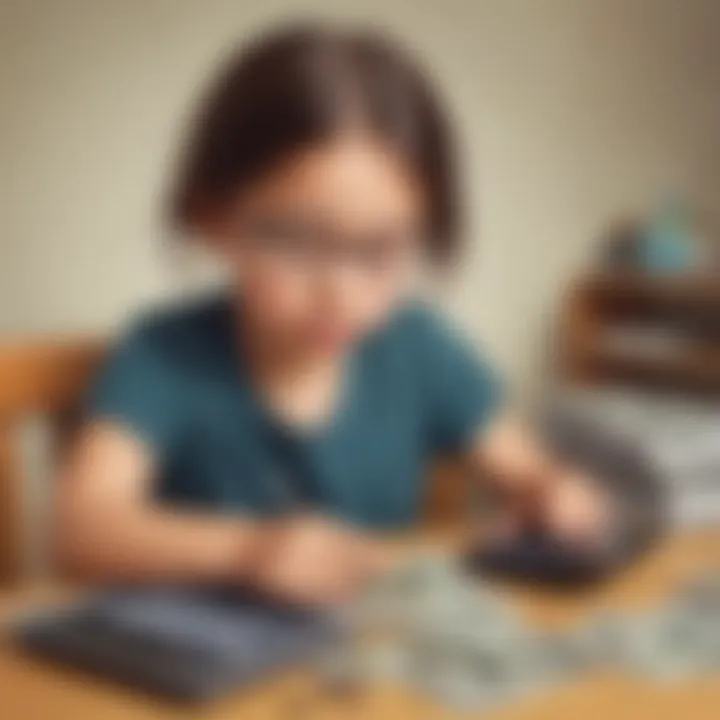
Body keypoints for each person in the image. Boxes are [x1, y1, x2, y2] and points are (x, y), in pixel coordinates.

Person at [56, 24, 606, 606]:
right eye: (295, 242)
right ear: (213, 217)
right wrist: (251, 551)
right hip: (200, 676)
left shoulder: (418, 346)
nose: (340, 294)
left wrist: (551, 490)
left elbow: (521, 466)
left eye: (379, 250)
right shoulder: (165, 355)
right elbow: (82, 528)